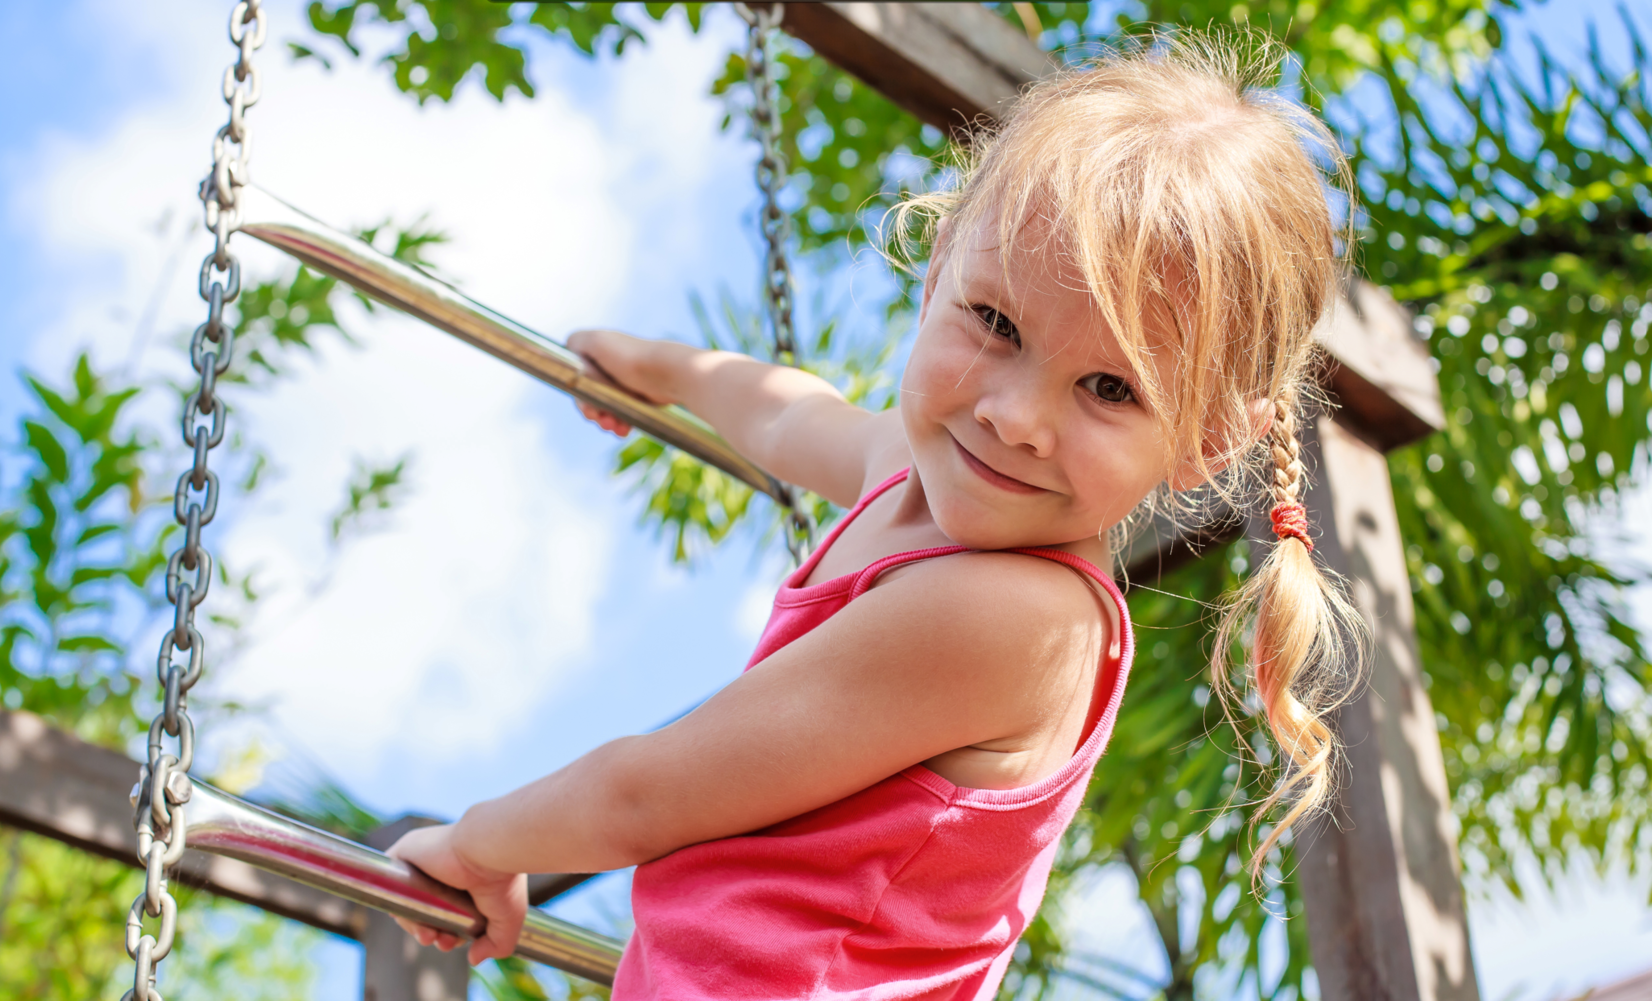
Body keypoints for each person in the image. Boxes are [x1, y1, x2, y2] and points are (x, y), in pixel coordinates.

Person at [387, 30, 1364, 1000]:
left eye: (1110, 387)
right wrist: (668, 370)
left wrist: (474, 843)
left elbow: (647, 792)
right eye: (996, 323)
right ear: (939, 271)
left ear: (1209, 440)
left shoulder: (1016, 618)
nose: (1014, 416)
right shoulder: (912, 469)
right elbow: (789, 413)